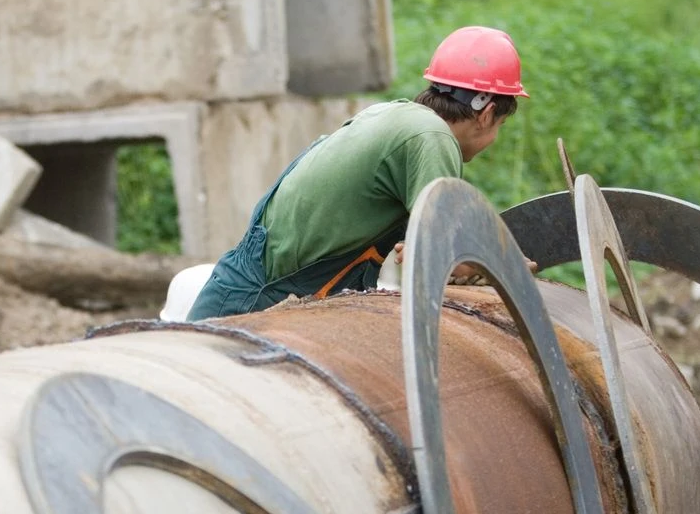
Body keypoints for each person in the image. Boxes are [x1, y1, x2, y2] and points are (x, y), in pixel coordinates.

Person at [185, 26, 530, 321]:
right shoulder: (432, 138)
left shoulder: (390, 116)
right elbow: (436, 256)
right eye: (499, 125)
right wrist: (497, 265)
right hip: (261, 307)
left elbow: (422, 244)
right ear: (486, 113)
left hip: (244, 290)